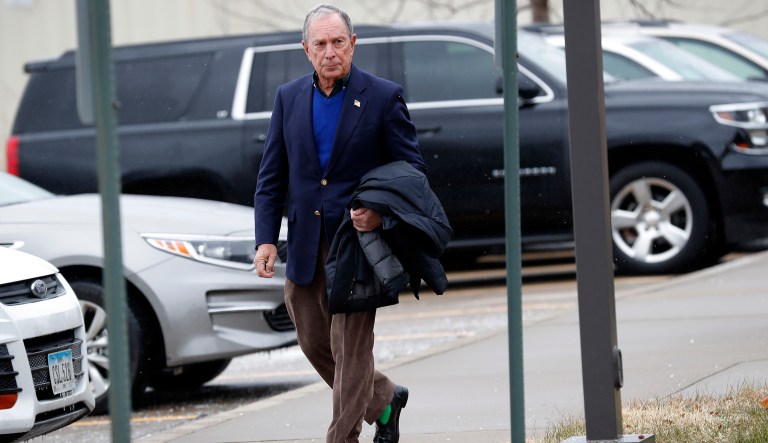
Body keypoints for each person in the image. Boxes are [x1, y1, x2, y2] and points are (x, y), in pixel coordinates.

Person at [253, 4, 426, 443]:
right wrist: (265, 240)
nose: (330, 52)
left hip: (358, 244)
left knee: (350, 351)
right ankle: (383, 398)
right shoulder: (288, 98)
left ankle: (341, 437)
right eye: (320, 44)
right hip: (306, 243)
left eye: (338, 42)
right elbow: (272, 176)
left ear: (353, 44)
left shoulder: (382, 96)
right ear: (306, 50)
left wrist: (381, 212)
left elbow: (412, 172)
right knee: (314, 341)